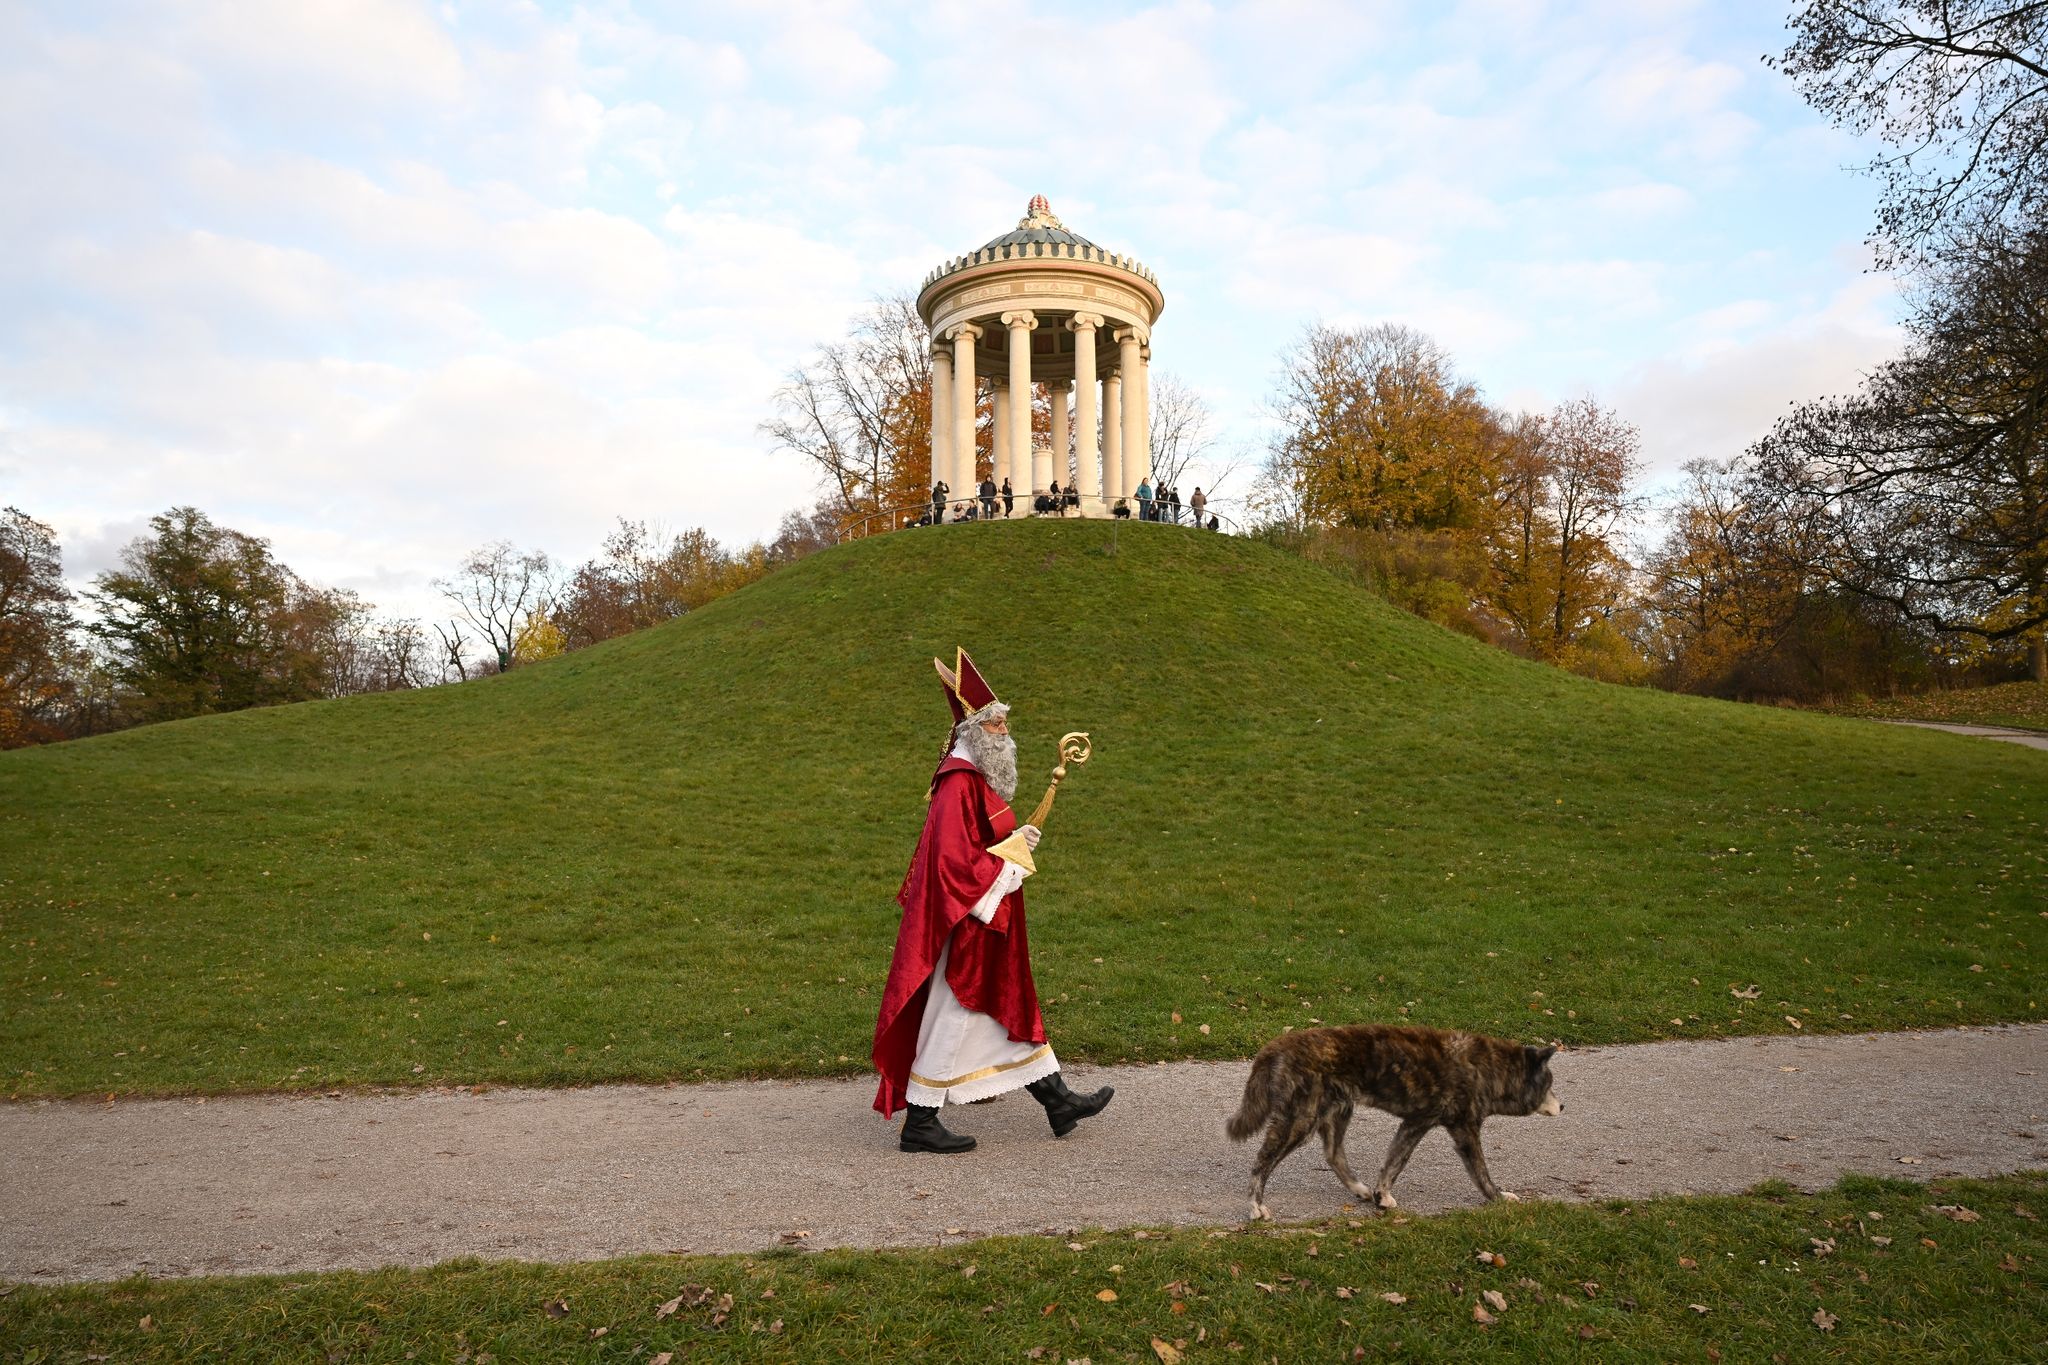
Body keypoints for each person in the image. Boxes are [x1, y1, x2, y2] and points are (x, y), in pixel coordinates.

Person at [872, 650, 1115, 1152]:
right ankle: (920, 1121)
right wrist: (1008, 863)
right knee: (960, 1010)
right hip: (967, 920)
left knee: (1000, 1007)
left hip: (985, 913)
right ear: (975, 731)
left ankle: (1057, 1100)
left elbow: (978, 840)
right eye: (998, 727)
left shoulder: (974, 780)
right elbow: (953, 864)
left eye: (1005, 725)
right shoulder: (957, 783)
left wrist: (1015, 839)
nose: (1006, 735)